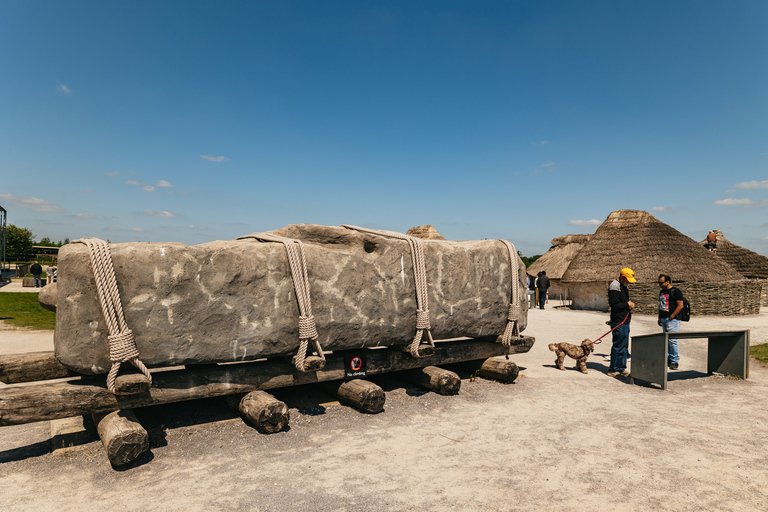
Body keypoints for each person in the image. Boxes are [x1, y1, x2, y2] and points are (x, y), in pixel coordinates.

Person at [607, 268, 636, 378]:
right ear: (622, 277)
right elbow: (614, 304)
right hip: (619, 320)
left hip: (625, 319)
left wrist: (628, 307)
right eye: (627, 279)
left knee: (624, 346)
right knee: (618, 345)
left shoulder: (624, 286)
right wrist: (627, 305)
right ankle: (613, 369)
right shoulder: (615, 286)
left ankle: (621, 368)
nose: (629, 281)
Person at [658, 274, 684, 370]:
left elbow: (680, 305)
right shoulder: (662, 292)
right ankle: (670, 357)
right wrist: (659, 317)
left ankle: (674, 360)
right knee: (666, 340)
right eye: (659, 282)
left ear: (668, 281)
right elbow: (661, 305)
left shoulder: (676, 291)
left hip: (673, 319)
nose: (659, 284)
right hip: (664, 318)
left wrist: (672, 316)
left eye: (661, 282)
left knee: (672, 340)